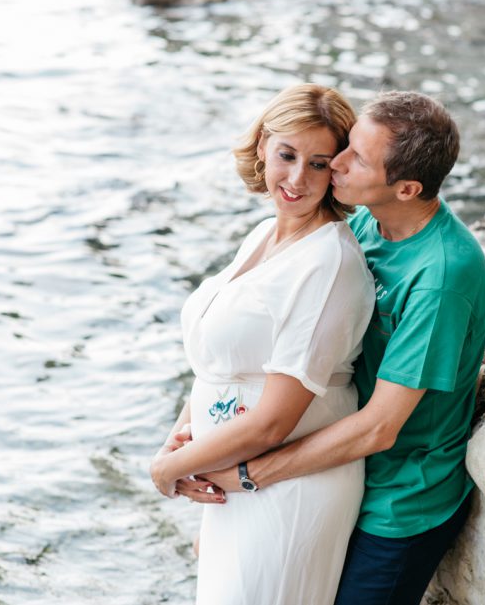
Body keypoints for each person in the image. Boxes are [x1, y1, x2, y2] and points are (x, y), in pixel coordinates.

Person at [186, 91, 485, 605]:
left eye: (354, 159)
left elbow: (380, 426)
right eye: (346, 147)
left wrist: (245, 477)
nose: (336, 166)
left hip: (398, 501)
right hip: (330, 471)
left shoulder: (442, 274)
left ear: (407, 187)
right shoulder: (369, 225)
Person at [149, 83, 375, 605]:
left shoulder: (328, 263)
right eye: (287, 155)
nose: (297, 178)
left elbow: (276, 419)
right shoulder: (262, 235)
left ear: (338, 170)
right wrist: (180, 441)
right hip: (231, 483)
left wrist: (167, 470)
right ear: (261, 148)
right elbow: (219, 364)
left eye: (319, 164)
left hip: (286, 491)